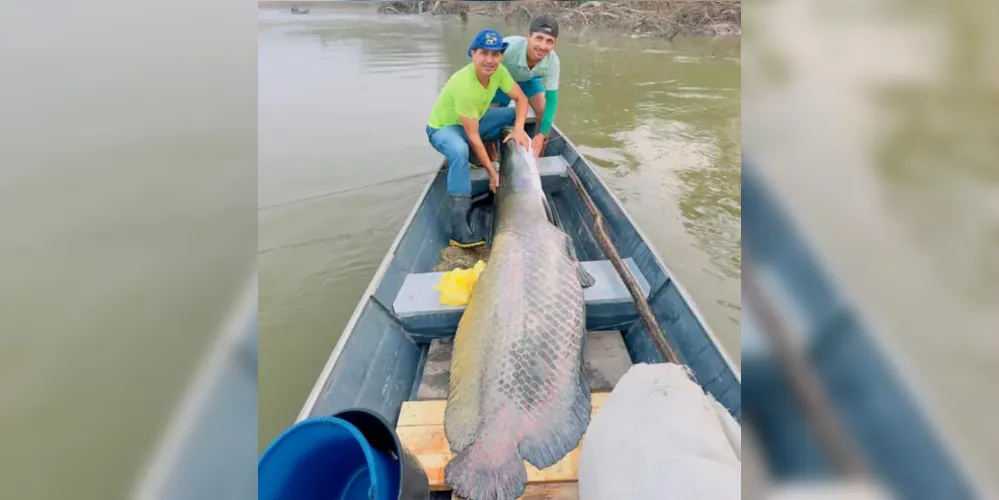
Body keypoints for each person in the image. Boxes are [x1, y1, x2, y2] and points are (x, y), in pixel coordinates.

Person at [425, 28, 531, 248]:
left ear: (501, 56)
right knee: (459, 151)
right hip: (444, 129)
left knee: (514, 115)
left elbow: (521, 98)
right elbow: (473, 137)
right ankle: (459, 231)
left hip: (474, 122)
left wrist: (519, 129)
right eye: (484, 53)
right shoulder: (464, 84)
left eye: (496, 54)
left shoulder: (499, 71)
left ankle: (493, 154)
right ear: (473, 53)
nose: (490, 60)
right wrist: (492, 172)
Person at [490, 14, 561, 159]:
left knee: (543, 111)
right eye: (539, 38)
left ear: (554, 43)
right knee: (487, 118)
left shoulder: (553, 61)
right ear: (528, 36)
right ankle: (492, 155)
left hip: (529, 80)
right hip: (501, 82)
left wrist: (541, 134)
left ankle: (539, 156)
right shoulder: (507, 48)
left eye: (549, 41)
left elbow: (552, 100)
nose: (542, 46)